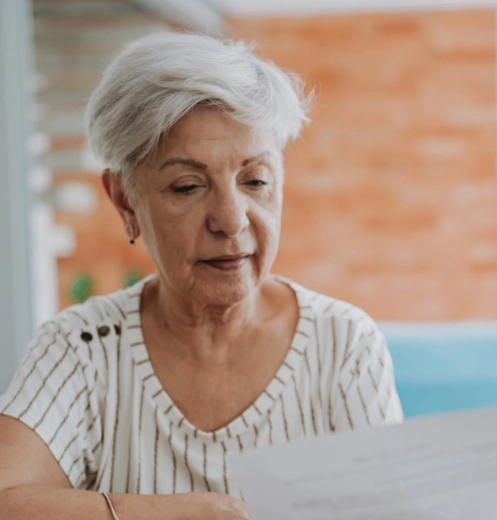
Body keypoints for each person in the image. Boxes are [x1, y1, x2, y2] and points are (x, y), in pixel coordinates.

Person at [0, 32, 403, 519]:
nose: (232, 219)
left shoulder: (344, 343)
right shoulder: (83, 348)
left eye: (255, 180)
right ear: (125, 200)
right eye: (188, 186)